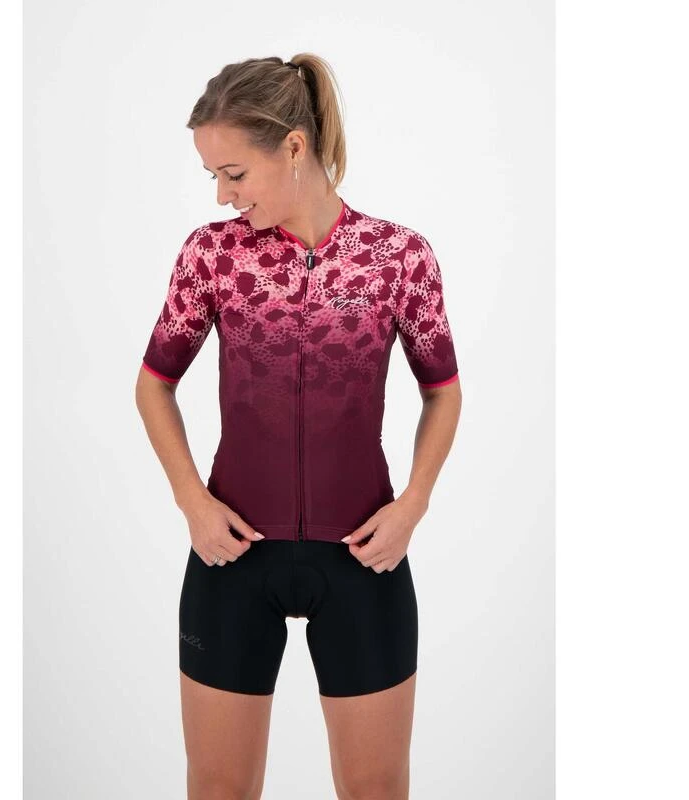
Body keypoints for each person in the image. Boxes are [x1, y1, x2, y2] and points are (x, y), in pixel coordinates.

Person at [135, 53, 462, 800]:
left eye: (234, 173)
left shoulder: (397, 258)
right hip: (230, 557)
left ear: (293, 146)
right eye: (213, 177)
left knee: (377, 790)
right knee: (217, 790)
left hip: (364, 559)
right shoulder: (213, 255)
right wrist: (192, 502)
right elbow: (154, 384)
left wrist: (413, 505)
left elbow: (442, 391)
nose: (223, 196)